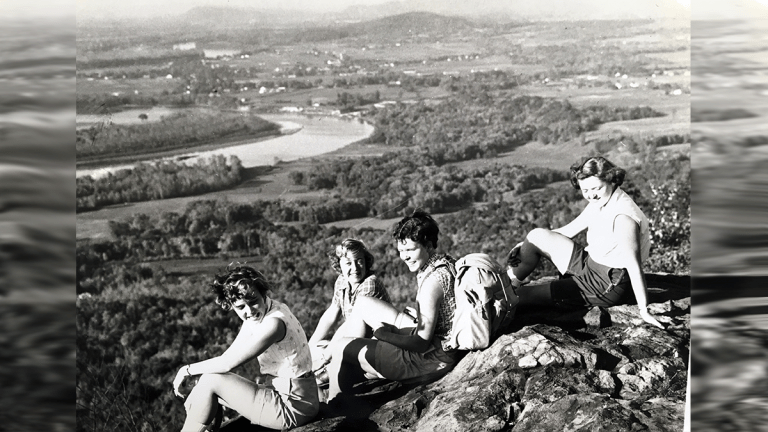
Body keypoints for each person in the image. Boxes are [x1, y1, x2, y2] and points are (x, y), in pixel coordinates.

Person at [505, 156, 664, 329]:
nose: (591, 195)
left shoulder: (623, 218)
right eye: (585, 190)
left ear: (611, 180)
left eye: (596, 188)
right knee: (536, 236)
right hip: (590, 263)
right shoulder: (601, 201)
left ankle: (510, 294)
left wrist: (643, 310)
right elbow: (569, 230)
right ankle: (509, 284)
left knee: (521, 297)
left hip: (607, 283)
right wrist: (525, 243)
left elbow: (634, 266)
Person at [326, 211, 462, 404]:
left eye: (410, 250)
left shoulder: (431, 284)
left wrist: (384, 335)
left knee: (342, 345)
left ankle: (336, 404)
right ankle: (353, 361)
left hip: (430, 359)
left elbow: (421, 344)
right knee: (363, 303)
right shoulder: (444, 262)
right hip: (437, 343)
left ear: (429, 245)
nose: (404, 257)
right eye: (401, 251)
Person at [172, 264, 319, 431]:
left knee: (211, 380)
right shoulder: (264, 313)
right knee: (209, 379)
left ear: (263, 294)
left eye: (253, 302)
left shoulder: (274, 323)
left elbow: (228, 364)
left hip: (293, 406)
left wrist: (187, 370)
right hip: (285, 394)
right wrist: (200, 379)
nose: (249, 311)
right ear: (231, 306)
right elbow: (228, 355)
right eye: (240, 307)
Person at [307, 238, 392, 377]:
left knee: (323, 374)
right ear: (339, 265)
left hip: (376, 344)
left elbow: (352, 326)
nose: (355, 268)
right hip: (356, 341)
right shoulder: (342, 280)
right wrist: (308, 348)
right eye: (348, 263)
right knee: (317, 347)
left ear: (366, 261)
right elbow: (331, 314)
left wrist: (324, 359)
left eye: (359, 261)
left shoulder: (370, 283)